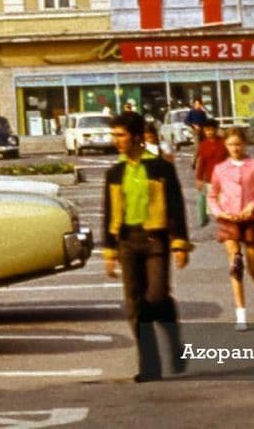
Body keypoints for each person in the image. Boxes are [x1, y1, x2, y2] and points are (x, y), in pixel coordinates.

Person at [100, 111, 190, 382]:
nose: (115, 140)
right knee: (134, 306)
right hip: (127, 241)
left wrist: (179, 243)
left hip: (155, 241)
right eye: (113, 135)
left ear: (137, 137)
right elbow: (108, 212)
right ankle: (150, 366)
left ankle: (174, 342)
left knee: (157, 297)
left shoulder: (161, 168)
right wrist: (109, 251)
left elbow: (175, 205)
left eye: (121, 135)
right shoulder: (115, 172)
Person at [209, 128, 254, 329]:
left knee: (253, 268)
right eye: (230, 144)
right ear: (225, 146)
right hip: (229, 220)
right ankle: (241, 314)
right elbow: (212, 196)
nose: (235, 148)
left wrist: (253, 205)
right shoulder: (220, 169)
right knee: (236, 265)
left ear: (244, 144)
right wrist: (220, 213)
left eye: (238, 144)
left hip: (251, 220)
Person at [192, 122, 226, 227]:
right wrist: (198, 178)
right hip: (209, 178)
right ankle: (204, 219)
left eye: (211, 130)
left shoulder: (224, 143)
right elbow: (201, 163)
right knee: (207, 200)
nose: (209, 132)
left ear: (216, 129)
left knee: (224, 202)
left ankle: (224, 221)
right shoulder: (203, 145)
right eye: (207, 130)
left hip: (224, 179)